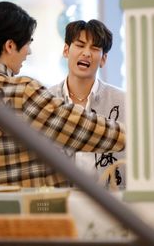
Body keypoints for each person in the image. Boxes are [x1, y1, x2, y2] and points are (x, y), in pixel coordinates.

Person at [0, 2, 125, 193]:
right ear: (10, 46)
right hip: (23, 222)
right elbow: (88, 132)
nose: (28, 52)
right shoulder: (22, 92)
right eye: (28, 43)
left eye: (95, 48)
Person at [49, 19, 126, 189]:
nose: (86, 53)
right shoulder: (46, 101)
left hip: (112, 205)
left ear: (103, 59)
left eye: (95, 48)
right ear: (66, 50)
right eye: (80, 45)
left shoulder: (124, 102)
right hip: (60, 203)